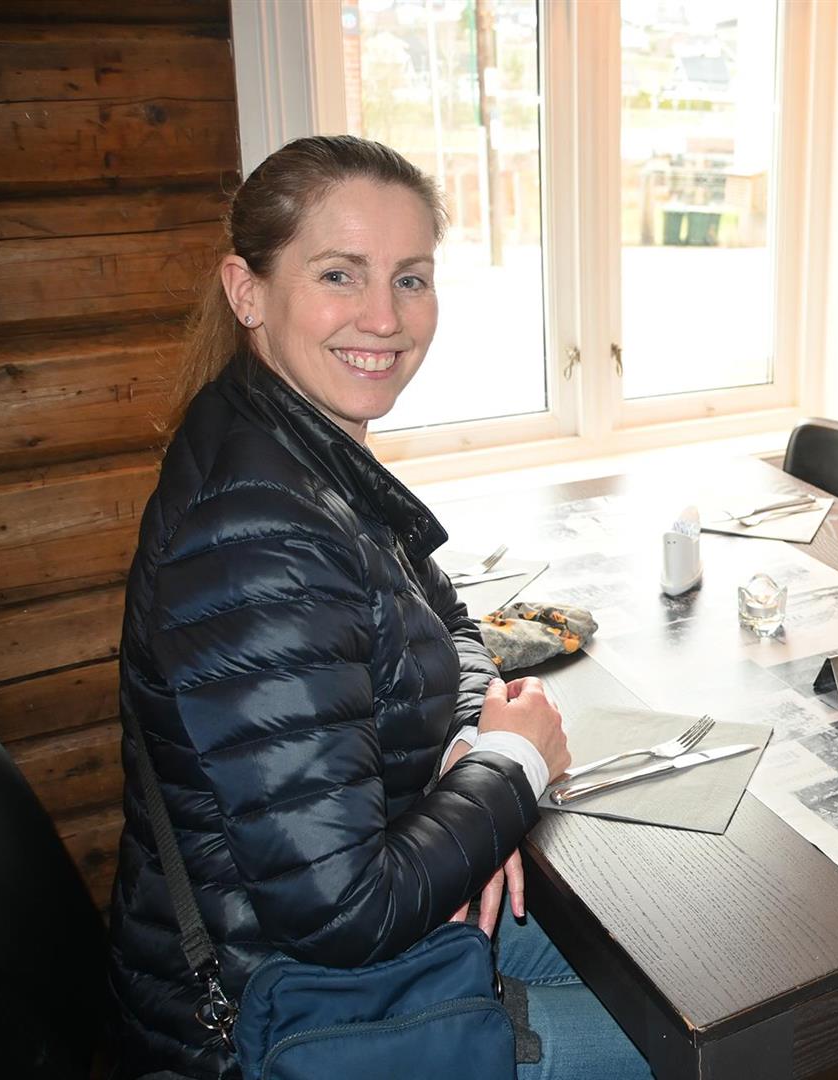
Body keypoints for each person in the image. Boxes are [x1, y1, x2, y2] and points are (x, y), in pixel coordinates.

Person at [109, 135, 650, 1080]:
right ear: (247, 291)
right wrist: (514, 769)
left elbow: (449, 622)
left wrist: (469, 747)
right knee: (689, 1046)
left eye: (410, 279)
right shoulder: (253, 530)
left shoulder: (298, 444)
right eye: (339, 274)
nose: (385, 318)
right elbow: (343, 912)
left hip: (349, 930)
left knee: (665, 957)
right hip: (278, 1012)